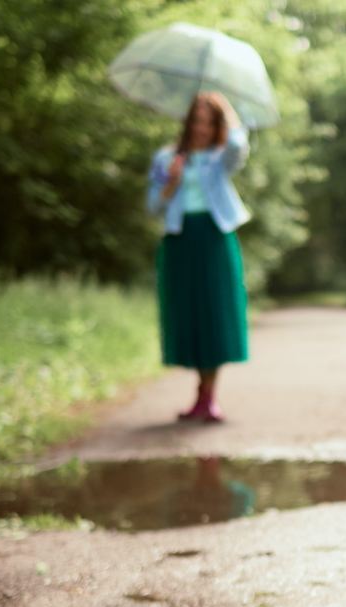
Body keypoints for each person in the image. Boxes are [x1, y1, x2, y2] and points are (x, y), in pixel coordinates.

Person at [147, 91, 251, 423]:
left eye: (209, 122)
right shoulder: (167, 158)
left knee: (215, 313)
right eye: (197, 121)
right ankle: (201, 395)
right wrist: (171, 182)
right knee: (188, 313)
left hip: (214, 238)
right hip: (180, 239)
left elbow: (238, 148)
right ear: (187, 121)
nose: (202, 128)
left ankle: (208, 397)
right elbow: (152, 206)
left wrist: (229, 114)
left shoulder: (220, 157)